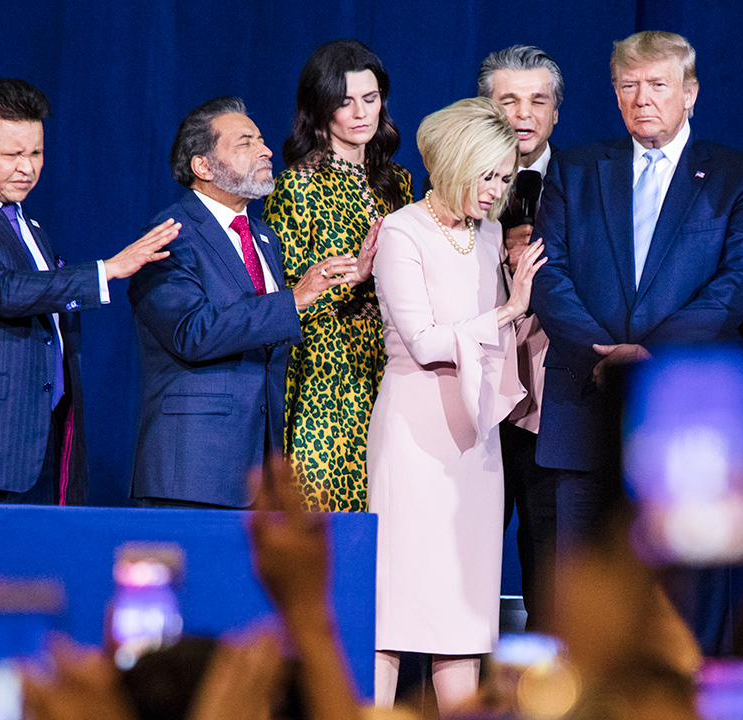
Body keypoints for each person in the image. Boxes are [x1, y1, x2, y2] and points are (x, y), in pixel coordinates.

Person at [531, 30, 743, 548]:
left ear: (690, 93)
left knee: (686, 607)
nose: (642, 99)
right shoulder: (574, 170)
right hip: (586, 403)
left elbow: (735, 284)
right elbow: (548, 274)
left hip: (687, 413)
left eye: (658, 84)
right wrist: (602, 353)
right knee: (589, 597)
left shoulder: (738, 176)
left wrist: (650, 355)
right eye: (628, 85)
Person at [0, 78, 178, 505]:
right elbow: (0, 290)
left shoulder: (29, 225)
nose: (27, 167)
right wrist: (107, 270)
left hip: (39, 441)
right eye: (12, 154)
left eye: (36, 153)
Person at [367, 97, 545, 715]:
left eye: (505, 177)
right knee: (392, 608)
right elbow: (424, 341)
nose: (497, 190)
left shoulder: (491, 231)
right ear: (452, 164)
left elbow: (488, 343)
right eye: (487, 175)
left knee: (464, 613)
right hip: (415, 433)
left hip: (477, 434)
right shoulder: (401, 230)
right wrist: (507, 309)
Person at [128, 96, 344, 508]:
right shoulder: (169, 233)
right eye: (245, 143)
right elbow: (192, 332)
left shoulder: (264, 237)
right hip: (191, 471)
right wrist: (292, 301)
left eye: (262, 140)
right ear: (203, 166)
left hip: (259, 472)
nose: (265, 151)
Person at [263, 39, 412, 513]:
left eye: (370, 99)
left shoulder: (397, 181)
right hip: (325, 372)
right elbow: (279, 300)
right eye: (345, 102)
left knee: (388, 509)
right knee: (325, 516)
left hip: (391, 362)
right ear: (320, 107)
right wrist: (353, 280)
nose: (361, 113)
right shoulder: (297, 184)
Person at [475, 43, 564, 631]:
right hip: (471, 405)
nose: (523, 114)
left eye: (537, 100)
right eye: (508, 100)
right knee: (462, 569)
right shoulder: (450, 189)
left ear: (556, 111)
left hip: (553, 407)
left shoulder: (589, 186)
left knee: (550, 569)